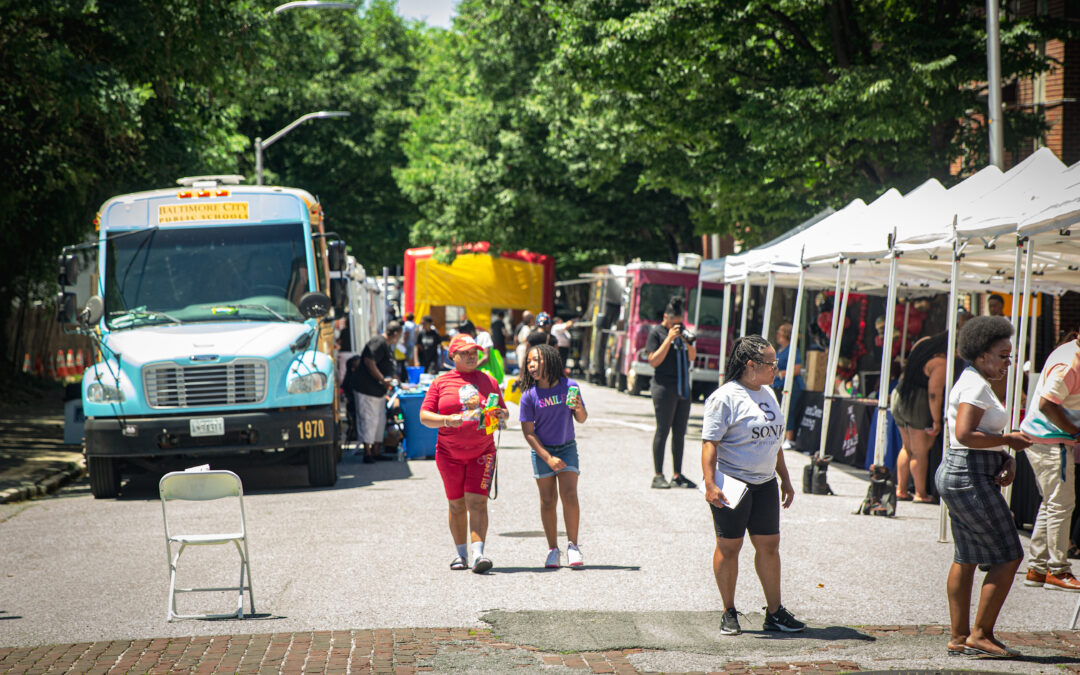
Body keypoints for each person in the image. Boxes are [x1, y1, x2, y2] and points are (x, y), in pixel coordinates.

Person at [936, 315, 1032, 658]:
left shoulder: (975, 381)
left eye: (1009, 356)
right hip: (968, 474)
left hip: (966, 470)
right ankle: (981, 634)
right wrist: (1008, 440)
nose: (1008, 363)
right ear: (981, 356)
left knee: (967, 557)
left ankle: (960, 636)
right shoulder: (976, 385)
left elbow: (971, 437)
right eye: (1002, 356)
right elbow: (964, 434)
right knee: (1009, 554)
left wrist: (1004, 454)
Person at [702, 335, 803, 636]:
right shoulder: (725, 397)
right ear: (750, 365)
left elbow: (775, 442)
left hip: (765, 483)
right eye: (772, 364)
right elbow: (709, 444)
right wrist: (709, 483)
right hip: (733, 482)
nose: (776, 369)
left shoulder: (768, 393)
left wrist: (784, 477)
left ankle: (774, 613)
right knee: (729, 546)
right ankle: (728, 611)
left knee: (769, 546)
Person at [419, 334, 509, 574]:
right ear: (453, 356)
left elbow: (503, 411)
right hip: (449, 454)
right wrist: (447, 420)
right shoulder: (440, 382)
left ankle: (479, 555)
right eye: (466, 353)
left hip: (483, 452)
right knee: (457, 505)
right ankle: (460, 555)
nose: (472, 356)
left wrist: (500, 415)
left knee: (477, 502)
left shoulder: (488, 380)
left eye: (474, 352)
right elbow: (424, 416)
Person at [1018, 333, 1080, 591]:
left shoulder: (1069, 353)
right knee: (1060, 505)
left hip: (1046, 438)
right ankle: (1058, 570)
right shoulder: (1070, 363)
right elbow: (1047, 403)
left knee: (1052, 503)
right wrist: (1074, 432)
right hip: (1050, 440)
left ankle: (1038, 568)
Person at [518, 343, 588, 568]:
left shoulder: (570, 386)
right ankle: (552, 550)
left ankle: (573, 547)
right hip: (542, 451)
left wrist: (578, 407)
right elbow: (528, 433)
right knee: (548, 501)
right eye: (529, 361)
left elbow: (582, 419)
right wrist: (548, 458)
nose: (531, 365)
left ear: (549, 360)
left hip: (567, 447)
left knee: (569, 495)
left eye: (536, 360)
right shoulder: (529, 395)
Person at [890, 332, 950, 503]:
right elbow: (934, 394)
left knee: (906, 447)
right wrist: (936, 420)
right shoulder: (940, 363)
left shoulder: (922, 343)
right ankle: (920, 493)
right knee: (919, 451)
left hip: (900, 396)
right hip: (916, 402)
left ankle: (901, 489)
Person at [646, 296, 697, 489]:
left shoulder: (683, 333)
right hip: (663, 387)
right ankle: (658, 474)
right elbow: (653, 361)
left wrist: (685, 339)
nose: (677, 325)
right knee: (663, 430)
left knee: (680, 432)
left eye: (679, 322)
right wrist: (669, 338)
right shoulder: (657, 333)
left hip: (682, 386)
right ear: (666, 317)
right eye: (674, 322)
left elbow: (692, 356)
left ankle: (677, 474)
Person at [355, 321, 403, 464]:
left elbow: (387, 367)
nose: (399, 338)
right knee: (369, 420)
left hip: (379, 391)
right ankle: (367, 452)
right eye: (399, 335)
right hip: (367, 389)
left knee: (379, 421)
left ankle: (375, 450)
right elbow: (369, 361)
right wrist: (382, 379)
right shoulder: (378, 342)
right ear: (395, 334)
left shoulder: (387, 346)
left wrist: (398, 382)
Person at [772, 323, 803, 452]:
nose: (778, 335)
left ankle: (789, 439)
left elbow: (797, 368)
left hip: (791, 385)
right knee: (779, 411)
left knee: (789, 411)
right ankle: (780, 436)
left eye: (780, 332)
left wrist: (782, 373)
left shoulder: (792, 349)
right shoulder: (779, 349)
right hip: (778, 385)